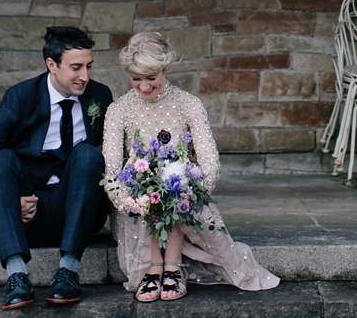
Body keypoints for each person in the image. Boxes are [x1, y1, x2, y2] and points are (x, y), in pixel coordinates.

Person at [103, 32, 281, 302]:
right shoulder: (118, 110)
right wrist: (130, 201)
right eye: (136, 79)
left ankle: (172, 266)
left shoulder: (189, 104)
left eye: (151, 78)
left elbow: (209, 161)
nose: (144, 87)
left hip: (183, 194)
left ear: (167, 68)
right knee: (149, 190)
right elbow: (112, 171)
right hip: (136, 198)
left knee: (174, 185)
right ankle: (153, 267)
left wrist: (189, 193)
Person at [0, 25, 113, 310]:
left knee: (89, 155)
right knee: (0, 158)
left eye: (89, 66)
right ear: (51, 65)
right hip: (27, 214)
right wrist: (2, 204)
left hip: (75, 211)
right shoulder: (22, 97)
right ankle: (16, 276)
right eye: (76, 67)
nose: (85, 76)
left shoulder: (99, 97)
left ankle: (68, 271)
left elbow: (120, 152)